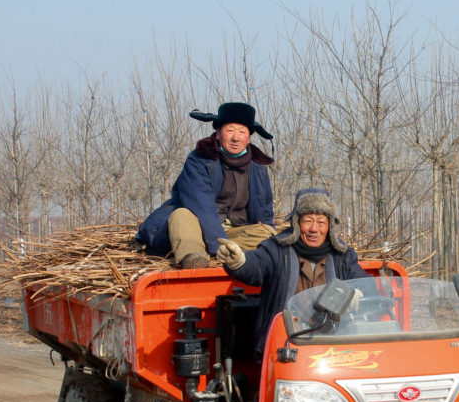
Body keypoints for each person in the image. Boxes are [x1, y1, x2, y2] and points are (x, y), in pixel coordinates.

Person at [216, 187, 370, 358]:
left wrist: (357, 291)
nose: (314, 229)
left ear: (329, 226)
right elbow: (256, 266)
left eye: (321, 222)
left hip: (332, 348)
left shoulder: (342, 255)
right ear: (297, 222)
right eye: (308, 221)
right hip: (284, 347)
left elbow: (367, 283)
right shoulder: (277, 249)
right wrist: (239, 261)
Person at [136, 102, 277, 268]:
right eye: (230, 130)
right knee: (181, 215)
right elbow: (202, 208)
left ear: (249, 138)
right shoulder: (200, 160)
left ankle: (230, 253)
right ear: (218, 134)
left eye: (242, 131)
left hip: (234, 232)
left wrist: (273, 246)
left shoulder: (258, 167)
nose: (236, 137)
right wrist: (219, 247)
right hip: (197, 230)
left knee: (268, 234)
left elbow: (265, 212)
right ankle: (195, 259)